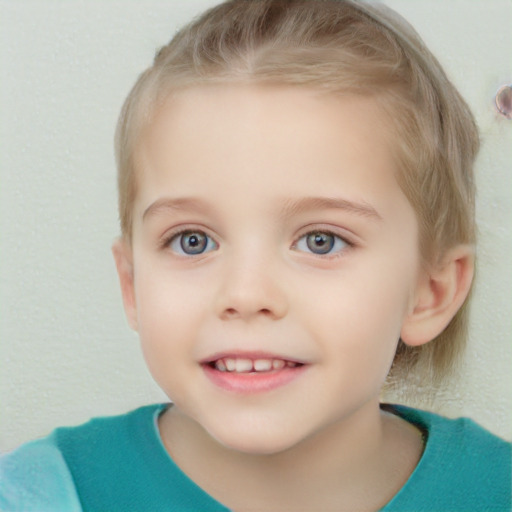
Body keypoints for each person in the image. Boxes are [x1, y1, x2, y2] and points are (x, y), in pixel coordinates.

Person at [1, 0, 510, 510]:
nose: (245, 295)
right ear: (132, 284)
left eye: (321, 240)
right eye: (192, 241)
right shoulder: (42, 495)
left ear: (430, 293)